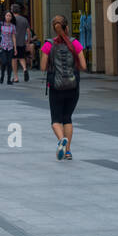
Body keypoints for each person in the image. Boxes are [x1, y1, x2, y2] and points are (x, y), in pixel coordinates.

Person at [40, 14, 87, 159]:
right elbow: (84, 66)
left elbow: (42, 67)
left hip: (56, 86)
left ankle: (61, 140)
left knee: (56, 120)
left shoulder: (48, 44)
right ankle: (67, 151)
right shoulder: (75, 43)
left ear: (54, 29)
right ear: (67, 28)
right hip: (73, 87)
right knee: (67, 118)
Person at [11, 2, 30, 82]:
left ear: (12, 10)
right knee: (21, 57)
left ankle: (15, 77)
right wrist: (28, 42)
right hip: (22, 41)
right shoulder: (24, 19)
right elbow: (28, 31)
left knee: (14, 59)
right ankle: (25, 69)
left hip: (13, 42)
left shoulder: (11, 19)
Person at [0, 12, 16, 84]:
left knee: (9, 63)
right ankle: (2, 76)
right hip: (2, 45)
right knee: (4, 62)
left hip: (10, 46)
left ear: (11, 17)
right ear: (4, 16)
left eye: (10, 16)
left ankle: (8, 79)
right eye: (7, 15)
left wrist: (15, 48)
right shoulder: (0, 24)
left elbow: (13, 37)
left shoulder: (13, 26)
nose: (8, 17)